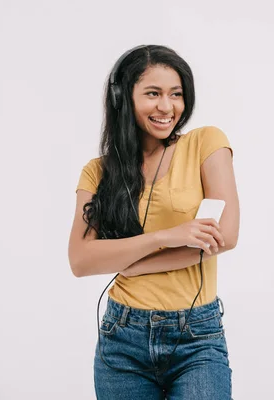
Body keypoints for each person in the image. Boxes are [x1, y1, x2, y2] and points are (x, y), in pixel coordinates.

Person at [68, 44, 240, 399]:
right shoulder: (98, 172)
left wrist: (131, 264)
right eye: (153, 93)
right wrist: (167, 237)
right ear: (122, 98)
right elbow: (81, 260)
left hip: (196, 337)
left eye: (175, 94)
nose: (167, 106)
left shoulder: (206, 143)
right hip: (122, 337)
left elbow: (224, 236)